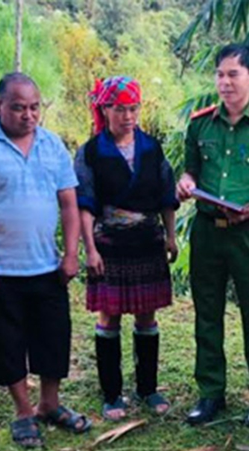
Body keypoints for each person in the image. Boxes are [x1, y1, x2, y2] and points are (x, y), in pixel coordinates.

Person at [0, 73, 91, 450]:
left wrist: (71, 253)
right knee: (5, 341)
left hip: (46, 264)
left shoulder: (53, 145)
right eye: (18, 108)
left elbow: (68, 201)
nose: (28, 115)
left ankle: (50, 403)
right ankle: (24, 411)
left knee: (53, 336)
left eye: (34, 108)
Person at [176, 44, 249, 427]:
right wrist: (186, 183)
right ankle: (211, 394)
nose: (225, 82)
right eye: (220, 74)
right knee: (206, 314)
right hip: (208, 231)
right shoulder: (200, 123)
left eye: (233, 75)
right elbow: (190, 171)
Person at [76, 76, 179, 421]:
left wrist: (171, 236)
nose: (128, 116)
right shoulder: (91, 152)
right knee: (110, 315)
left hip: (147, 241)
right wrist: (90, 250)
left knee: (147, 314)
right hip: (109, 244)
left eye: (133, 109)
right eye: (120, 109)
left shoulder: (151, 148)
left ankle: (148, 389)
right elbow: (85, 204)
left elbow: (167, 195)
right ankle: (111, 394)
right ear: (105, 109)